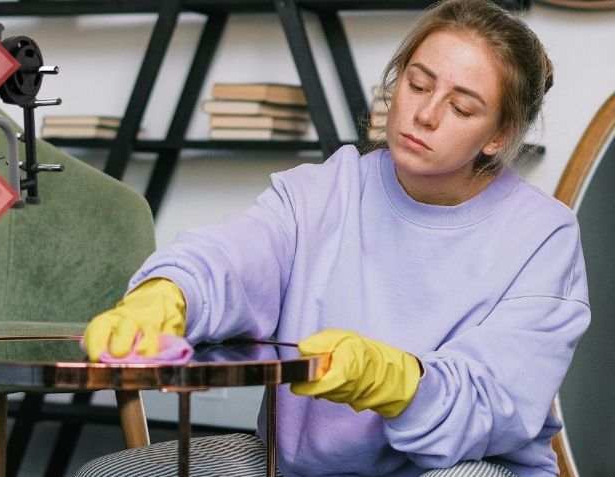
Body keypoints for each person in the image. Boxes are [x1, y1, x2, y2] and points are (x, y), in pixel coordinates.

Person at [76, 0, 590, 475]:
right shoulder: (321, 191)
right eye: (417, 84)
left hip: (462, 464)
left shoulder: (542, 235)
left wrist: (395, 380)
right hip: (304, 467)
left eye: (461, 108)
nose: (426, 114)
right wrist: (168, 294)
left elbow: (498, 402)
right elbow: (233, 256)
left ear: (498, 136)